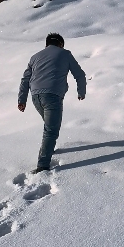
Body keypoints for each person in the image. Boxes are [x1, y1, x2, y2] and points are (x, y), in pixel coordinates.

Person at [18, 33, 86, 173]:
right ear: (60, 44)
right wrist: (81, 92)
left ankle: (47, 150)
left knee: (50, 127)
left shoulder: (35, 57)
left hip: (35, 96)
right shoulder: (65, 54)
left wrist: (22, 100)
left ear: (47, 44)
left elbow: (25, 80)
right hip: (52, 96)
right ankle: (43, 165)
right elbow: (79, 74)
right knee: (51, 130)